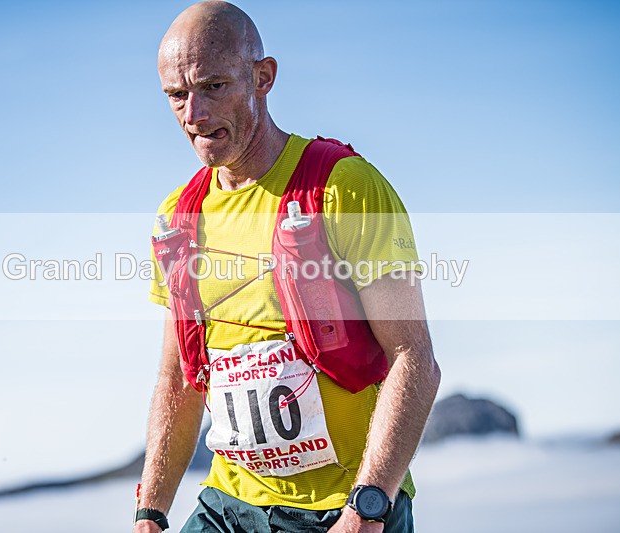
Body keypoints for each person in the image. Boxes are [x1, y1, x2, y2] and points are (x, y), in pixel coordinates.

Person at [135, 2, 441, 532]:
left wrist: (368, 507)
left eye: (213, 87)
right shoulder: (177, 217)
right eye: (177, 96)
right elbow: (177, 381)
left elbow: (414, 358)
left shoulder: (343, 186)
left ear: (263, 77)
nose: (194, 116)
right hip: (229, 506)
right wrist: (150, 513)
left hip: (344, 507)